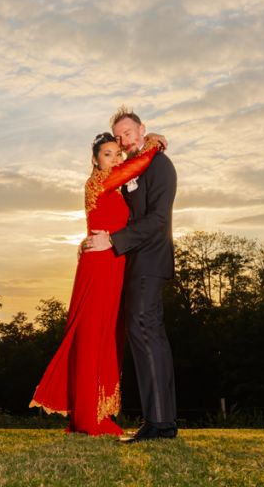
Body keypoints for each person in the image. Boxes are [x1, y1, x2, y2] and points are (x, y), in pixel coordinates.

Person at [29, 131, 163, 436]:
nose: (115, 159)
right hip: (99, 268)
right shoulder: (98, 182)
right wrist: (153, 144)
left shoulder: (114, 189)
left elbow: (109, 221)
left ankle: (98, 414)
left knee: (107, 336)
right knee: (91, 335)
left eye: (118, 154)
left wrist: (87, 238)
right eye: (107, 154)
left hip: (114, 265)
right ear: (94, 159)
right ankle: (88, 419)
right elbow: (136, 166)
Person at [83, 107, 178, 443]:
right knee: (150, 336)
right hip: (134, 262)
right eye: (119, 135)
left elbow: (157, 221)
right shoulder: (130, 167)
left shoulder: (161, 165)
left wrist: (114, 239)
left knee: (144, 332)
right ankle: (163, 422)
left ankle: (158, 422)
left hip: (149, 261)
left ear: (142, 130)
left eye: (129, 132)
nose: (124, 139)